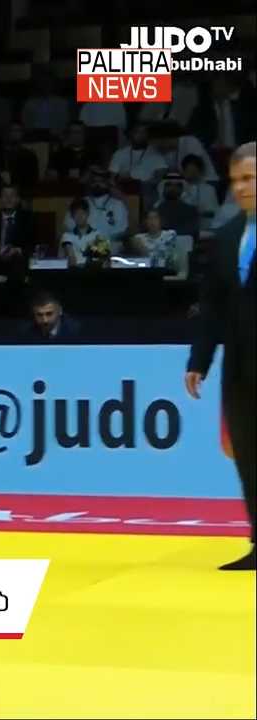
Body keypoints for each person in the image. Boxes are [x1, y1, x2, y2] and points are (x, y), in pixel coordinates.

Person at [186, 141, 256, 571]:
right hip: (241, 367)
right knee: (248, 455)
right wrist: (199, 360)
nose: (241, 188)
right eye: (235, 181)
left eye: (249, 178)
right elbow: (212, 304)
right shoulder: (227, 235)